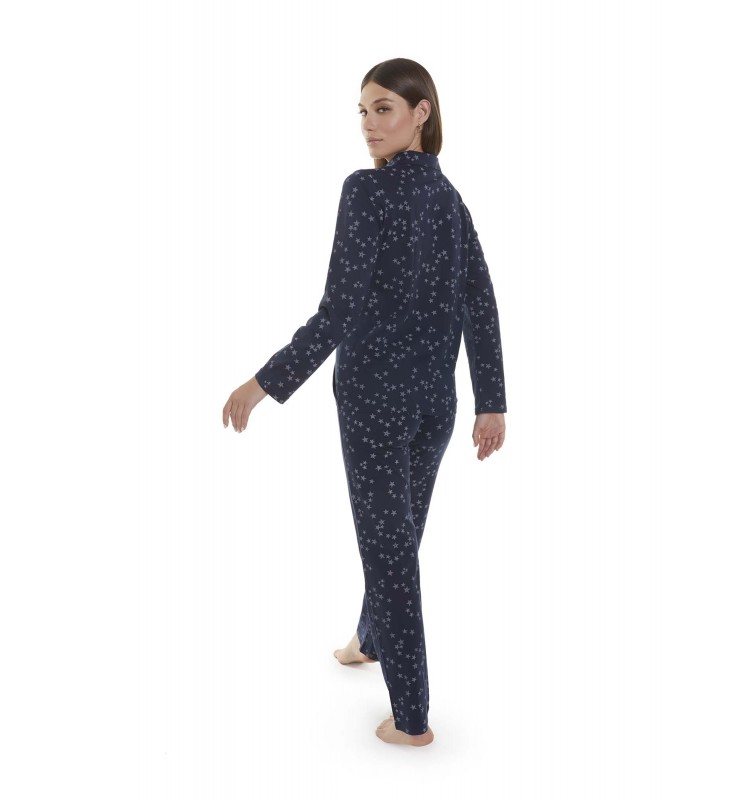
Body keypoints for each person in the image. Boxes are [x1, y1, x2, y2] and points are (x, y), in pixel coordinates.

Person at [221, 58, 507, 746]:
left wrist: (263, 383)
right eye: (362, 111)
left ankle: (411, 720)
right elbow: (480, 300)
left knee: (391, 554)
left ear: (421, 113)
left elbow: (338, 311)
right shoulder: (451, 200)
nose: (368, 125)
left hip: (377, 404)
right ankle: (369, 641)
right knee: (397, 539)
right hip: (435, 407)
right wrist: (490, 401)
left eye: (383, 109)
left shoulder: (366, 190)